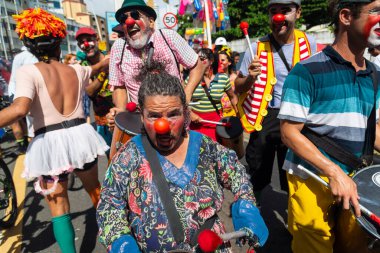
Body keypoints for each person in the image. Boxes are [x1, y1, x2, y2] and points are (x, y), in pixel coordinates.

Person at [96, 60, 268, 252]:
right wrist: (121, 241)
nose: (164, 126)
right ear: (141, 116)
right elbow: (109, 205)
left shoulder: (206, 147)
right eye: (153, 116)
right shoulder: (128, 156)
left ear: (186, 113)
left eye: (173, 114)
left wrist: (246, 206)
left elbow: (237, 174)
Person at [4, 8, 109, 253]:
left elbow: (19, 109)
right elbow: (96, 69)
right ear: (59, 41)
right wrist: (107, 62)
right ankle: (120, 242)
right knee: (96, 192)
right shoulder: (76, 70)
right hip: (80, 136)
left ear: (29, 45)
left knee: (59, 207)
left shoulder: (27, 72)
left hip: (49, 143)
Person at [278, 0, 380, 252]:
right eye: (376, 11)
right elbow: (289, 133)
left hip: (357, 179)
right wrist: (334, 173)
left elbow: (373, 129)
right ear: (346, 16)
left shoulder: (376, 74)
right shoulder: (306, 71)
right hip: (310, 177)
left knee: (354, 247)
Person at [234, 0, 317, 201]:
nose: (278, 17)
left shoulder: (310, 43)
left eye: (285, 11)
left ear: (298, 12)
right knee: (257, 170)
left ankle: (295, 222)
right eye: (273, 12)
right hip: (267, 115)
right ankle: (254, 212)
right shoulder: (256, 48)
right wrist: (251, 77)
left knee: (294, 173)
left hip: (298, 115)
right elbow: (238, 86)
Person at [107, 0, 205, 126]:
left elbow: (197, 65)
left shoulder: (168, 37)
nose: (129, 22)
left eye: (136, 15)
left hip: (174, 120)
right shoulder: (118, 47)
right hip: (141, 123)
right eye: (123, 18)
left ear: (151, 22)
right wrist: (121, 111)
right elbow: (119, 85)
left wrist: (187, 93)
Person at [75, 27, 113, 158]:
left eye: (89, 40)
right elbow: (90, 91)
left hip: (119, 115)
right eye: (81, 42)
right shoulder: (83, 66)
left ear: (97, 39)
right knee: (111, 157)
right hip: (102, 120)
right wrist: (104, 70)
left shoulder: (111, 57)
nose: (85, 44)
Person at [189, 48, 238, 141]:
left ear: (211, 61)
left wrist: (238, 117)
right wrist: (190, 114)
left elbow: (232, 97)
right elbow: (182, 100)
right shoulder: (191, 78)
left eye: (202, 58)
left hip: (216, 125)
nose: (199, 61)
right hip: (196, 124)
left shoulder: (223, 78)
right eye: (197, 59)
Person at [8, 46, 38, 154]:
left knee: (23, 122)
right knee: (28, 122)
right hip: (24, 94)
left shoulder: (21, 57)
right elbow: (13, 79)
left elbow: (13, 79)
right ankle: (27, 145)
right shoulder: (23, 57)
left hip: (23, 93)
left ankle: (25, 145)